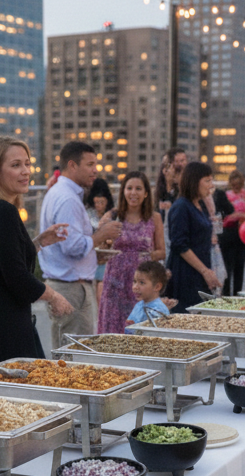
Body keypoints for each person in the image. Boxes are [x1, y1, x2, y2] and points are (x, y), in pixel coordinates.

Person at [0, 137, 71, 361]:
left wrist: (37, 243)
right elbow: (16, 276)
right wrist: (54, 296)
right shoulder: (2, 212)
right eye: (16, 165)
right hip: (0, 325)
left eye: (28, 164)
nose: (26, 171)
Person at [38, 141, 122, 349]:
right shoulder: (67, 199)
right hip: (70, 288)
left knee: (72, 352)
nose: (95, 170)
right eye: (90, 164)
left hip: (68, 284)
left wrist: (95, 253)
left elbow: (67, 245)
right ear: (72, 165)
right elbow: (72, 247)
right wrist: (101, 235)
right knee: (74, 356)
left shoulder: (61, 193)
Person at [97, 171, 165, 334]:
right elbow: (99, 253)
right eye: (129, 188)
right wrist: (106, 244)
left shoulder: (154, 217)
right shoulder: (112, 216)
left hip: (142, 284)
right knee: (113, 331)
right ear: (123, 192)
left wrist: (146, 256)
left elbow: (162, 252)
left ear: (146, 193)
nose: (133, 193)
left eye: (138, 188)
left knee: (140, 330)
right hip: (115, 284)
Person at [166, 161, 219, 311]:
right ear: (194, 181)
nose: (211, 185)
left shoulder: (200, 205)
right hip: (185, 274)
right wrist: (205, 271)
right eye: (207, 180)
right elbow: (179, 244)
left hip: (200, 271)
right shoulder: (181, 206)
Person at [220, 169, 245, 296]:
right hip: (227, 232)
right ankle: (225, 294)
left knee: (240, 265)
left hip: (243, 232)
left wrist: (240, 215)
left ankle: (238, 294)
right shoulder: (224, 196)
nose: (236, 188)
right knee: (227, 266)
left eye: (239, 185)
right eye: (234, 185)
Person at [85, 177, 115, 301]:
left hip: (105, 257)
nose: (99, 205)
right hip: (92, 256)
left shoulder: (111, 214)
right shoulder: (88, 213)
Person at [124, 261, 176, 329]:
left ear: (157, 287)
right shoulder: (139, 305)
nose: (135, 287)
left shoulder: (158, 311)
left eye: (142, 283)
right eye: (134, 281)